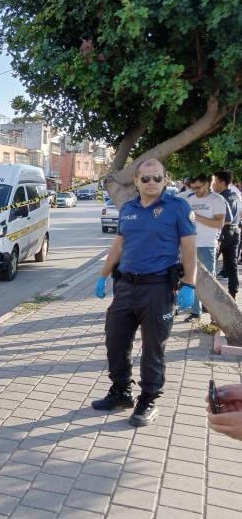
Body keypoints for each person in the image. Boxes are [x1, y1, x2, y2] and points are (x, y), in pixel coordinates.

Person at [93, 159, 197, 427]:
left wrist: (190, 284)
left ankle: (148, 400)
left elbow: (189, 249)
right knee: (115, 342)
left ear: (166, 180)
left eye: (157, 178)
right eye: (146, 178)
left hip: (158, 288)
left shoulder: (178, 208)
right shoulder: (128, 208)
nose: (151, 183)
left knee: (153, 348)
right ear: (136, 181)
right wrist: (103, 275)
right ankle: (120, 392)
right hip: (125, 288)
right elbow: (118, 245)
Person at [184, 175, 226, 320]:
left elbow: (219, 223)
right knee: (192, 279)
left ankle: (216, 315)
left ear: (208, 183)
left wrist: (196, 216)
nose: (195, 190)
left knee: (209, 282)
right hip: (189, 245)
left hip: (207, 245)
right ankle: (196, 312)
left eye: (198, 187)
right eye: (193, 187)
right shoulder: (189, 200)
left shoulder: (217, 200)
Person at [212, 170, 240, 298]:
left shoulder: (220, 197)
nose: (213, 185)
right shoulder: (235, 195)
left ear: (222, 182)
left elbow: (223, 219)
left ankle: (210, 299)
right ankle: (233, 293)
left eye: (215, 182)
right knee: (231, 265)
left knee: (210, 265)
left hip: (223, 231)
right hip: (235, 231)